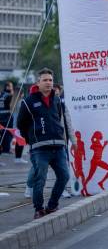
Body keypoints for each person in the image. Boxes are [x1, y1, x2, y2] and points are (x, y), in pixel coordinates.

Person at [16, 68, 76, 219]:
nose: (48, 83)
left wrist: (70, 139)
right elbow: (21, 124)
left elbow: (63, 120)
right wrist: (30, 139)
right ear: (38, 82)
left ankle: (52, 205)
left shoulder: (57, 99)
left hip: (59, 146)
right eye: (45, 80)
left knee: (64, 176)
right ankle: (38, 209)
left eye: (50, 80)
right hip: (39, 149)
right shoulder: (28, 101)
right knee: (40, 179)